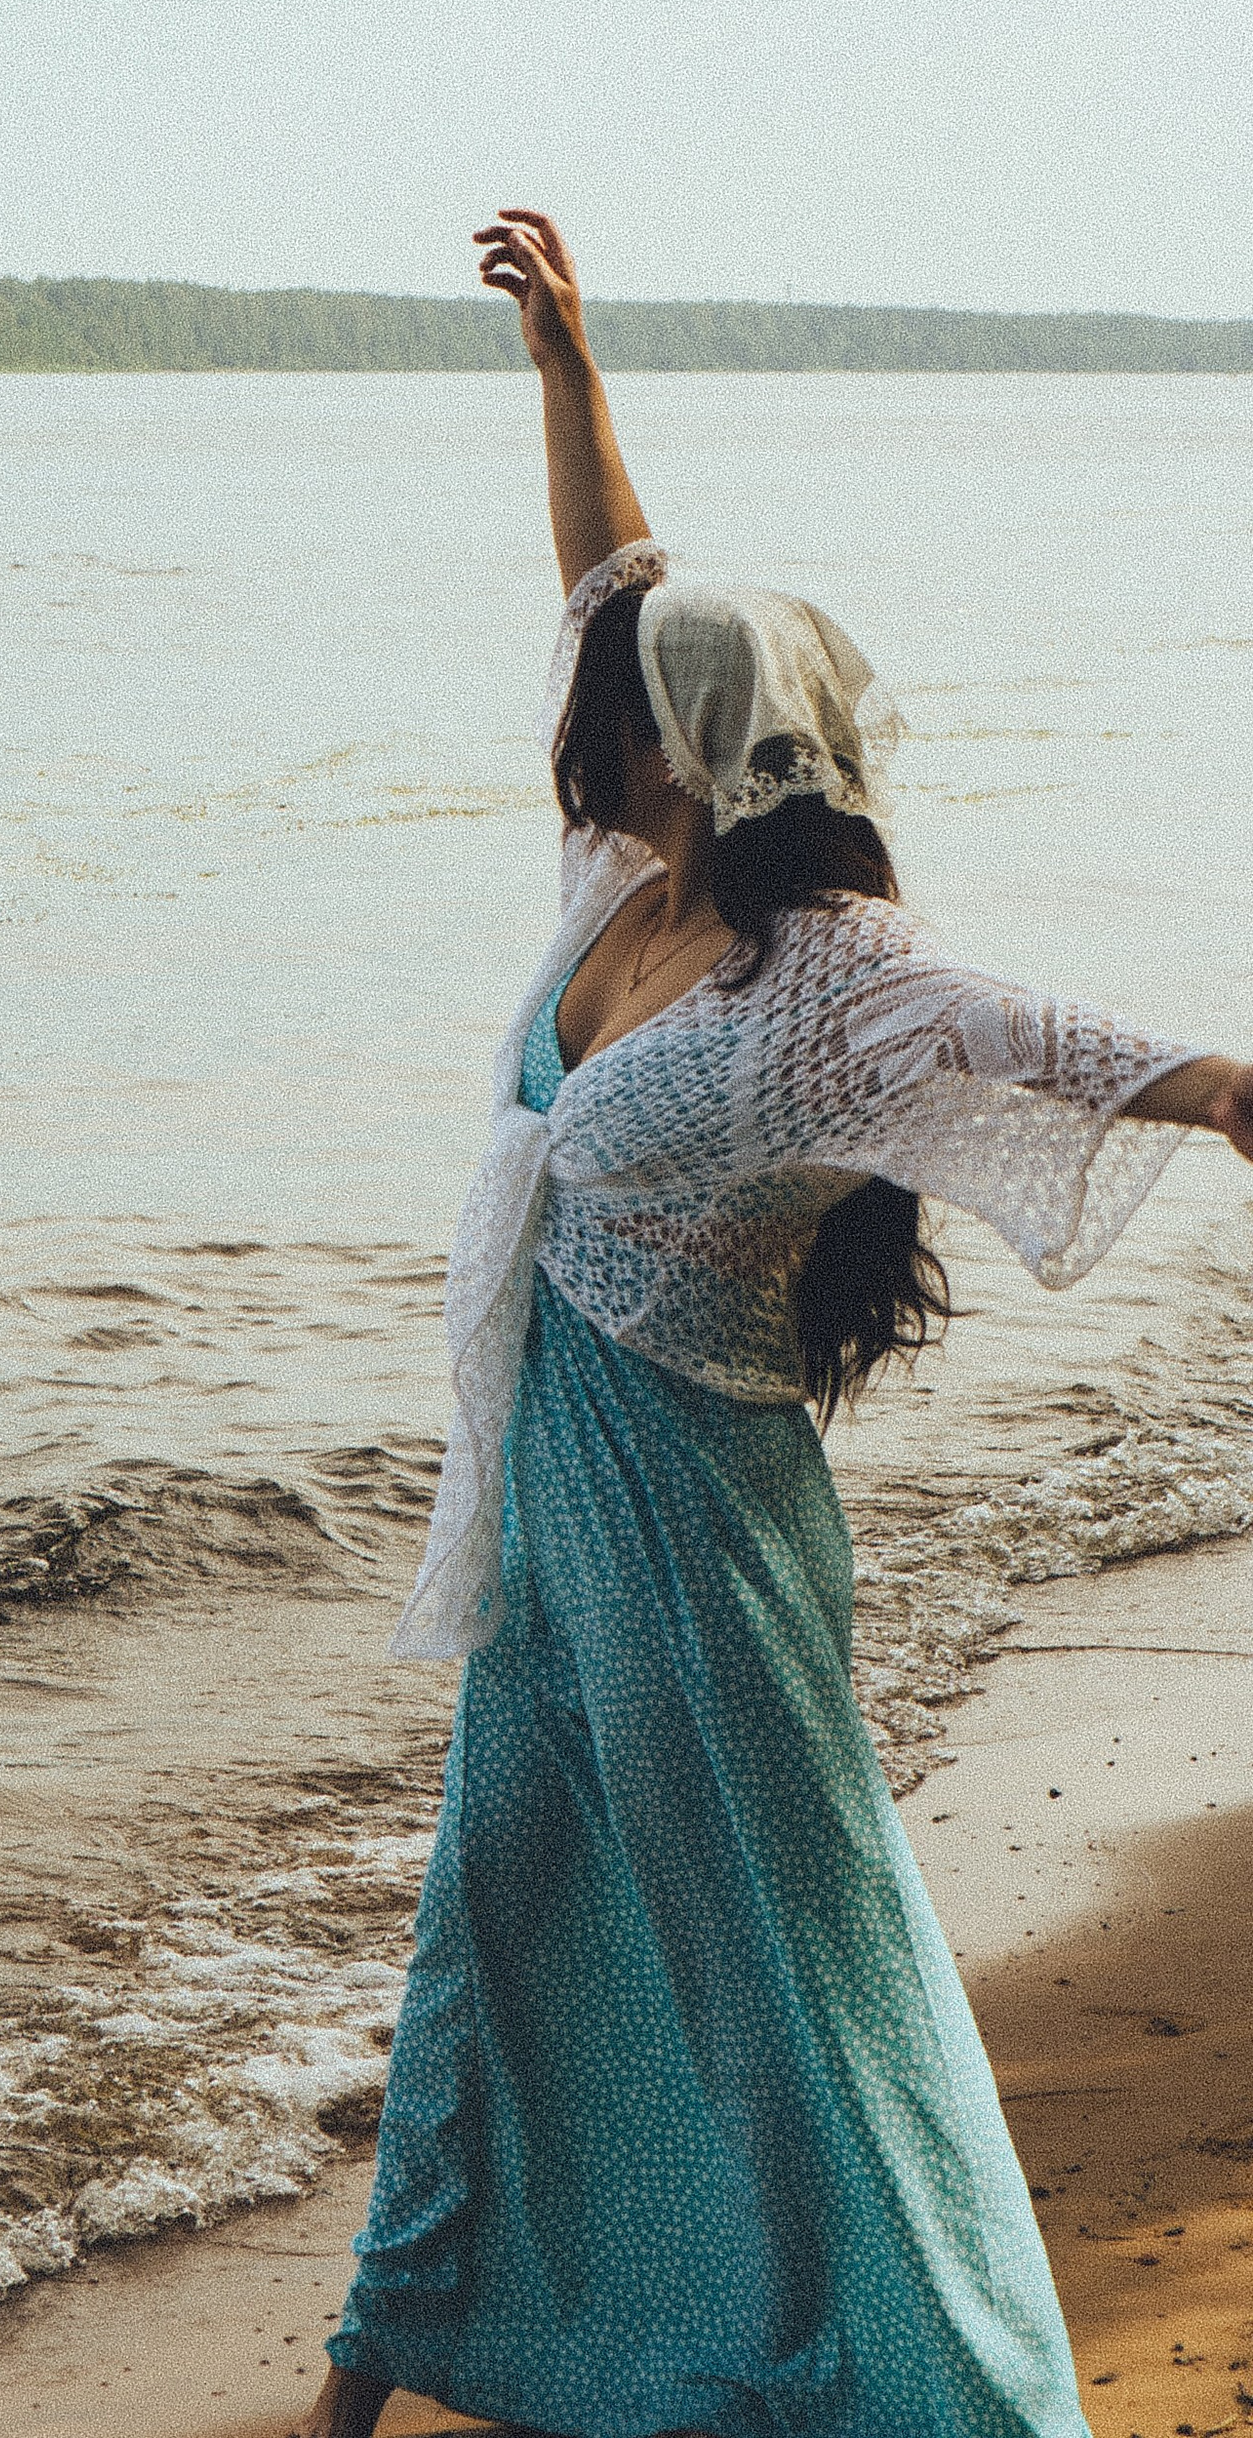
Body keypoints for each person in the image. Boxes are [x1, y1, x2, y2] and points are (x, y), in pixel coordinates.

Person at [294, 209, 1253, 2438]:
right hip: (550, 1514)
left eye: (617, 703)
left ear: (690, 744)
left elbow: (1110, 1056)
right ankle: (384, 2357)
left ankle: (950, 2385)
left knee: (786, 1967)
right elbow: (609, 574)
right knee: (498, 1913)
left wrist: (1221, 1091)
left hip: (699, 1528)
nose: (579, 708)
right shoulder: (618, 886)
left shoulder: (839, 986)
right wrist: (565, 361)